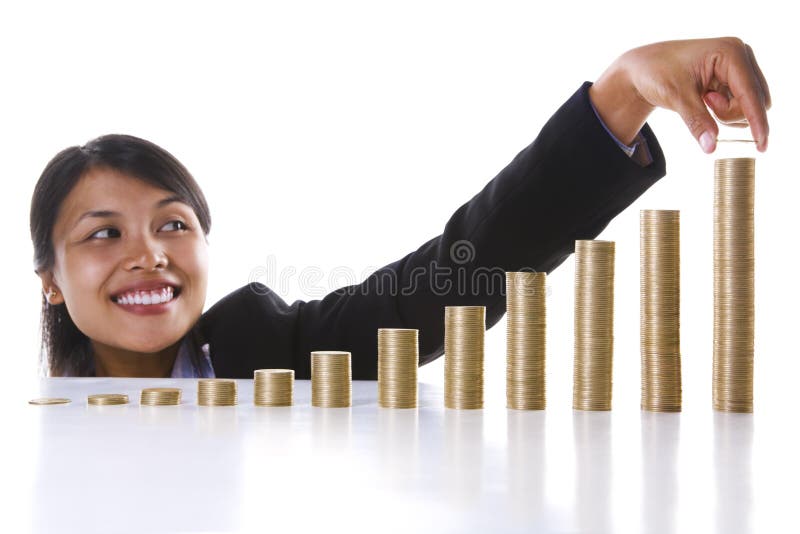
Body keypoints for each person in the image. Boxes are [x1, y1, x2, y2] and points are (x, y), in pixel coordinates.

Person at [29, 37, 770, 378]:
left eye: (172, 224)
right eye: (104, 233)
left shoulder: (263, 346)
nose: (150, 253)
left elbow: (450, 277)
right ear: (51, 279)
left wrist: (620, 96)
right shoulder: (30, 439)